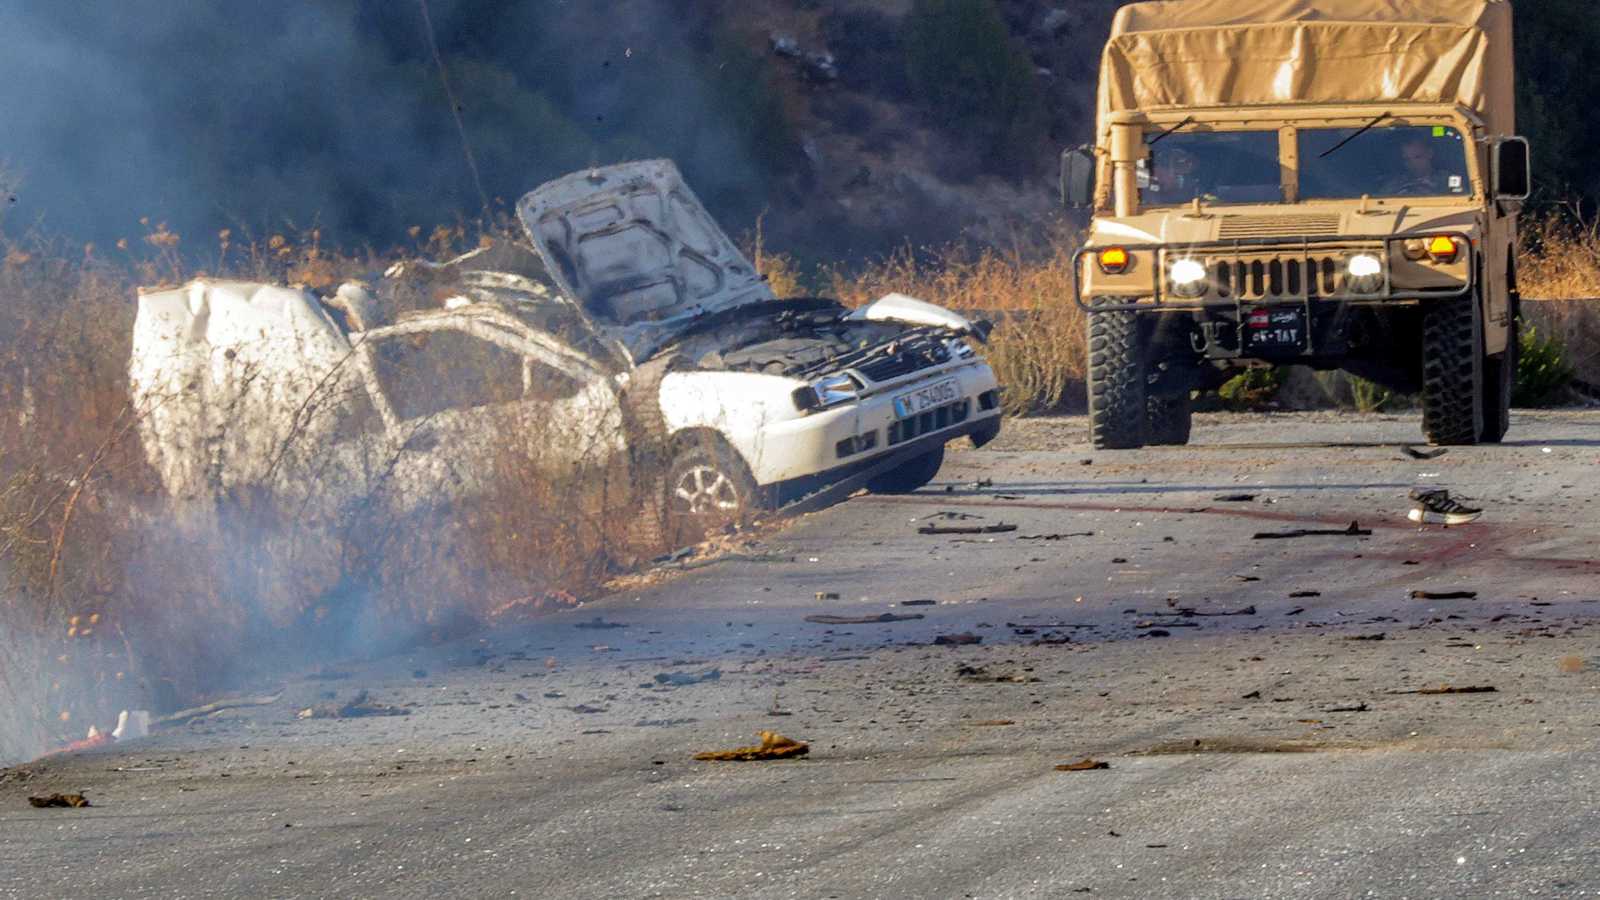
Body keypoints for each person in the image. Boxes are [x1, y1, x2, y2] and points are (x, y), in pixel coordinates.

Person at [1385, 138, 1450, 196]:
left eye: (1417, 157)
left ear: (1430, 153)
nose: (1412, 163)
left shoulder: (1446, 180)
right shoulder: (1395, 183)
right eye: (1407, 159)